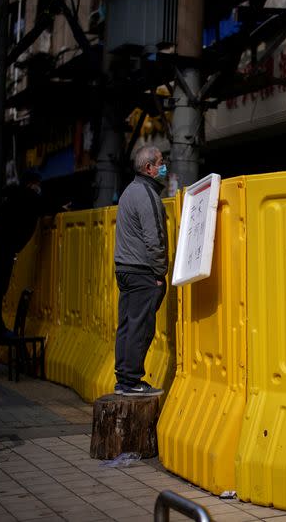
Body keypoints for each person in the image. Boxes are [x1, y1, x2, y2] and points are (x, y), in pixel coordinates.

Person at [113, 145, 170, 397]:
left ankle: (124, 379)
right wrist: (160, 274)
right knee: (140, 327)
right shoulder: (147, 195)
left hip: (125, 270)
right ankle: (131, 381)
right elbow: (154, 239)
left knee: (127, 325)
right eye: (161, 162)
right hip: (141, 272)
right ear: (149, 168)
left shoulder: (128, 191)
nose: (164, 165)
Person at [0, 170, 46, 336]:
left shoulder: (14, 197)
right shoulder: (27, 196)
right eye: (37, 184)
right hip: (3, 251)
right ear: (31, 184)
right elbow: (43, 206)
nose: (38, 188)